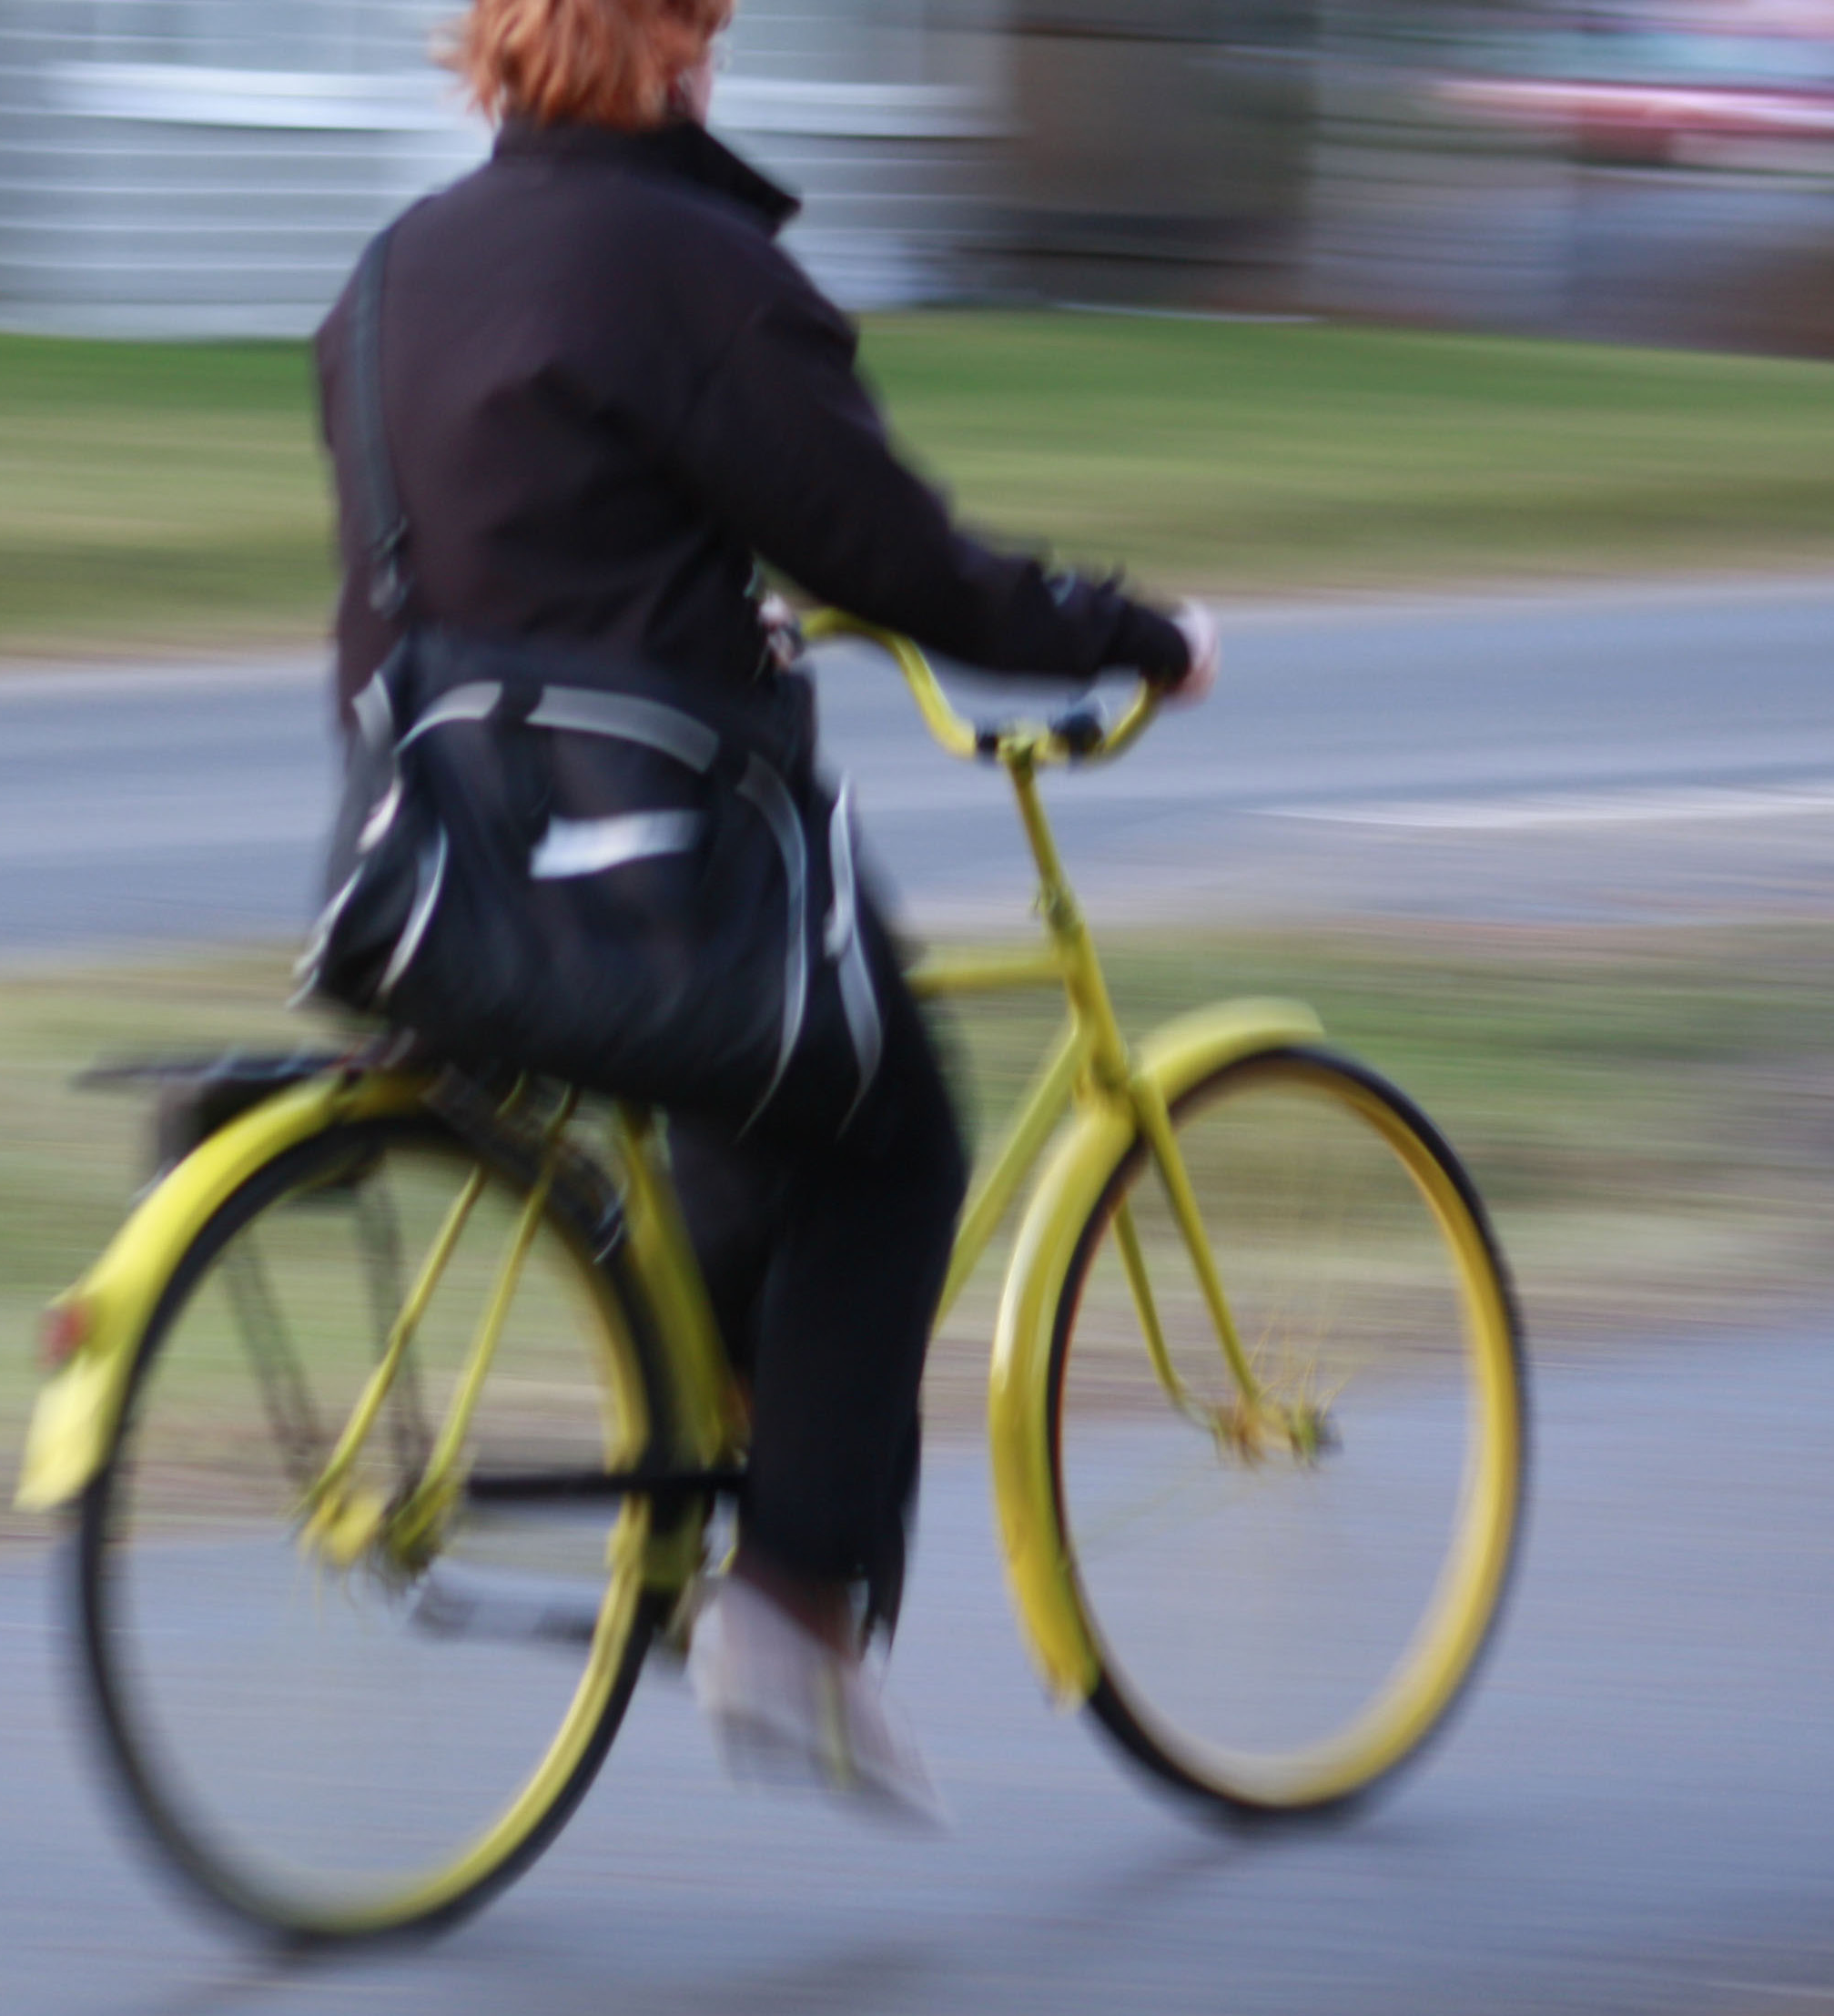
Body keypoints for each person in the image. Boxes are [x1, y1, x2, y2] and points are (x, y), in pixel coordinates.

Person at [310, 0, 1218, 1822]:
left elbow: (498, 562)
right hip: (654, 879)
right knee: (886, 1131)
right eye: (697, 23)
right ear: (648, 46)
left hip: (429, 885)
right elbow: (897, 556)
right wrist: (1131, 632)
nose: (710, 55)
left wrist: (712, 615)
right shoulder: (690, 265)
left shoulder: (393, 269)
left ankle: (711, 1448)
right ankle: (792, 1606)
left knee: (752, 1119)